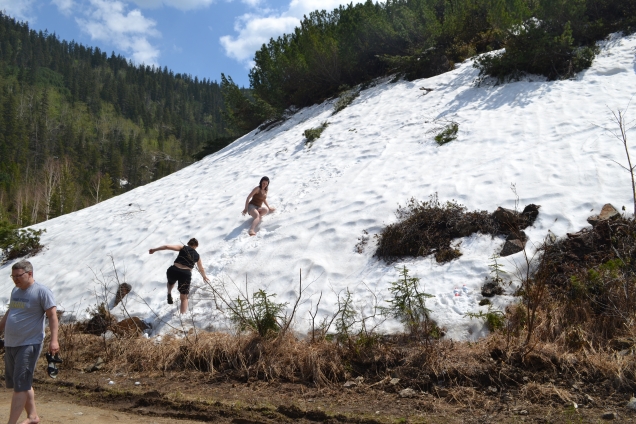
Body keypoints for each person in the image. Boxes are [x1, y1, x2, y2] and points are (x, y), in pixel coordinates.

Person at [0, 260, 59, 424]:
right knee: (22, 383)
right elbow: (10, 312)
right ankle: (32, 416)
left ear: (30, 273)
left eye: (19, 276)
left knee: (21, 386)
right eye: (13, 276)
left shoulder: (41, 291)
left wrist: (54, 340)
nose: (15, 280)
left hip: (29, 343)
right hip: (11, 343)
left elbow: (53, 317)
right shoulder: (15, 291)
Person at [149, 238, 210, 314]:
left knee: (171, 282)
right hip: (185, 274)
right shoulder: (197, 256)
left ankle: (169, 292)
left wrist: (154, 250)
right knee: (184, 298)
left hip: (173, 270)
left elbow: (167, 246)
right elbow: (201, 268)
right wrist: (204, 276)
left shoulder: (183, 247)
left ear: (188, 243)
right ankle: (182, 316)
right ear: (196, 246)